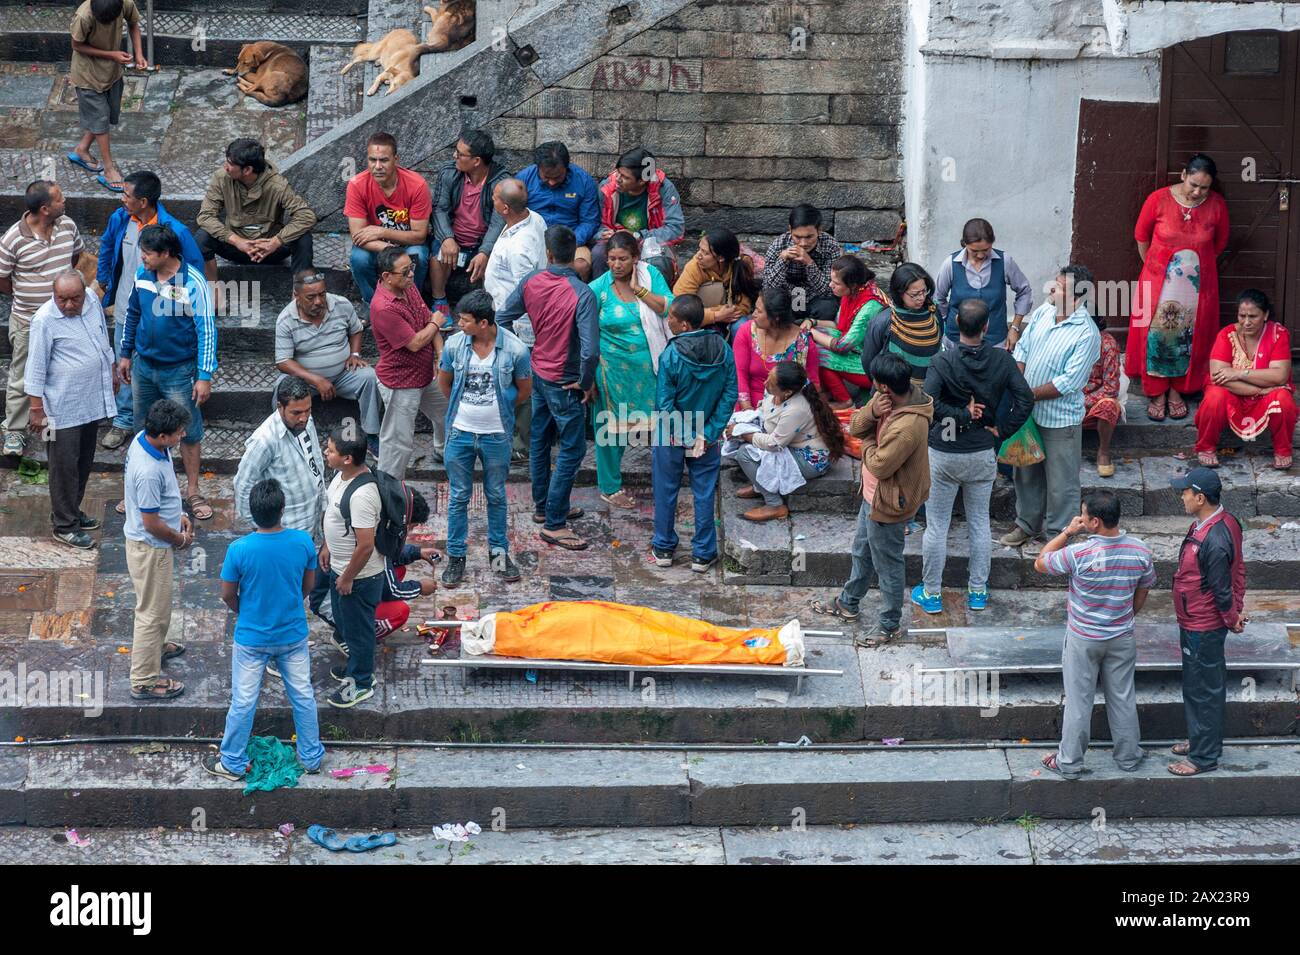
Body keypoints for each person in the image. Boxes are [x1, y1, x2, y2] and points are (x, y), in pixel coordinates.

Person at [913, 299, 1033, 614]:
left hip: (944, 452)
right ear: (986, 327)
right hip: (982, 451)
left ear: (955, 325)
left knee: (936, 525)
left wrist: (959, 415)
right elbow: (1025, 398)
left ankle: (932, 593)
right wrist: (1002, 429)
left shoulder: (942, 362)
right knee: (979, 522)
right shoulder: (1002, 360)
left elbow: (930, 404)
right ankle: (977, 591)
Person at [204, 478, 323, 782]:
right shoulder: (303, 542)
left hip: (252, 639)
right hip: (293, 635)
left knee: (244, 701)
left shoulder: (239, 549)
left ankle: (231, 762)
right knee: (303, 695)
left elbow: (228, 594)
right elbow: (307, 586)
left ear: (250, 513)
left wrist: (246, 613)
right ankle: (310, 757)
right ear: (282, 509)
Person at [812, 353, 933, 645]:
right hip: (872, 495)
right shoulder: (886, 400)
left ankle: (889, 623)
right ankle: (848, 602)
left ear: (885, 387)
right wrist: (872, 413)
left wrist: (867, 442)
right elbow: (855, 426)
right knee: (861, 551)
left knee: (888, 565)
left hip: (890, 501)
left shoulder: (907, 427)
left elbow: (879, 464)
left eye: (876, 385)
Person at [1035, 490, 1156, 779]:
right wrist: (1127, 616)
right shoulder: (1140, 551)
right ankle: (1129, 757)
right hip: (1122, 635)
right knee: (1123, 697)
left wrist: (1067, 532)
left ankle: (1070, 763)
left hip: (1083, 637)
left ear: (1095, 522)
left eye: (1084, 515)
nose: (1081, 519)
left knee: (1079, 701)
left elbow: (1041, 562)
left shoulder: (1079, 553)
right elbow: (1144, 589)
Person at [497, 225, 599, 550]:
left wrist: (521, 356)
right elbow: (590, 351)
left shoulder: (531, 281)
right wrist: (585, 382)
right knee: (573, 448)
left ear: (548, 254)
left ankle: (544, 507)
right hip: (565, 381)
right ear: (575, 255)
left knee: (540, 441)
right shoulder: (582, 294)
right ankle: (555, 522)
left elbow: (501, 319)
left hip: (538, 371)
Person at [96, 170, 204, 449]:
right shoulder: (120, 219)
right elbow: (107, 245)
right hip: (127, 303)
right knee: (126, 362)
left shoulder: (175, 231)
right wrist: (103, 277)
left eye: (127, 195)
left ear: (143, 201)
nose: (122, 199)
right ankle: (123, 420)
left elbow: (194, 269)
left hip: (165, 314)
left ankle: (168, 429)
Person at [999, 265, 1102, 555]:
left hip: (1060, 419)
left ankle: (1060, 536)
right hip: (1028, 412)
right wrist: (1020, 389)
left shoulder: (1086, 333)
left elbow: (1069, 382)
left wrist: (1027, 395)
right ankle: (1027, 524)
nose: (1053, 290)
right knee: (1026, 471)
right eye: (1055, 284)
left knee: (1062, 482)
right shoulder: (1045, 311)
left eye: (1061, 288)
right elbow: (1022, 351)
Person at [118, 223, 217, 521]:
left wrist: (204, 375)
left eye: (148, 253)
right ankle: (139, 489)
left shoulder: (193, 282)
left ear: (165, 253)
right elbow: (132, 313)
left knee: (187, 431)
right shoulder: (142, 275)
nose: (143, 258)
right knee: (142, 429)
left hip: (179, 370)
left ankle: (193, 490)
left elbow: (207, 330)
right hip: (143, 366)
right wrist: (125, 354)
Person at [436, 289, 531, 585]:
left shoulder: (515, 350)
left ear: (484, 322)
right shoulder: (454, 346)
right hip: (461, 433)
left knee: (496, 495)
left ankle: (499, 556)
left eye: (465, 320)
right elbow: (445, 383)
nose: (459, 324)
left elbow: (524, 390)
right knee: (458, 496)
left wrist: (498, 408)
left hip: (496, 435)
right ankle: (456, 558)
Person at [1125, 153, 1229, 422]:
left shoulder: (1217, 205)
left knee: (1188, 338)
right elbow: (1141, 237)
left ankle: (1177, 391)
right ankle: (1157, 391)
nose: (1197, 192)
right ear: (1183, 174)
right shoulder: (1158, 199)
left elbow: (1219, 245)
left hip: (1197, 289)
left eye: (1204, 187)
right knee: (1157, 337)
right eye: (1193, 184)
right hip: (1159, 283)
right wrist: (1156, 267)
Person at [25, 271, 117, 548]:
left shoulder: (90, 299)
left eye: (73, 298)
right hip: (58, 408)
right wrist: (36, 410)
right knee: (63, 466)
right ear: (54, 296)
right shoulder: (44, 320)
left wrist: (110, 368)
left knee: (83, 460)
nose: (68, 305)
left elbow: (102, 337)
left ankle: (71, 511)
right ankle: (64, 525)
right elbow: (35, 367)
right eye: (61, 299)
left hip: (88, 401)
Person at [232, 375, 331, 629]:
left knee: (298, 586)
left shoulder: (305, 422)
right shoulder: (264, 441)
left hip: (309, 522)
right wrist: (260, 528)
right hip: (283, 529)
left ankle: (290, 628)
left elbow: (316, 461)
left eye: (308, 410)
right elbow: (242, 485)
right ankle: (277, 645)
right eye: (296, 412)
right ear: (280, 407)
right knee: (280, 590)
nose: (304, 417)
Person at [1169, 467, 1247, 777]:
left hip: (1203, 626)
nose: (1182, 496)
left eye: (1186, 491)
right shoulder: (1219, 523)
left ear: (1200, 498)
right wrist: (1236, 612)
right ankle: (1200, 738)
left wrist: (1232, 618)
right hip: (1194, 620)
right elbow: (1238, 570)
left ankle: (1204, 757)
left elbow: (1222, 588)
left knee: (1204, 689)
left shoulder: (1215, 539)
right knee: (1196, 686)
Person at [651, 294, 737, 571]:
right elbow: (729, 394)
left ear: (685, 325)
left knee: (666, 491)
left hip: (671, 435)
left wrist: (688, 436)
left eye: (672, 319)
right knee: (703, 492)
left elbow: (665, 404)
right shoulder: (723, 349)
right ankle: (703, 553)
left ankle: (664, 548)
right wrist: (707, 434)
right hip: (708, 435)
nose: (669, 322)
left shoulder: (671, 355)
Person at [0, 179, 85, 457]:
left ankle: (55, 424)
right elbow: (2, 279)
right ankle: (14, 431)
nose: (66, 201)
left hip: (63, 319)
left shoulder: (68, 226)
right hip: (27, 320)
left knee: (60, 372)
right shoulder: (13, 239)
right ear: (45, 208)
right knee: (22, 375)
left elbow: (74, 258)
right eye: (60, 199)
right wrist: (26, 298)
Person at [589, 230, 673, 508]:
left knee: (659, 425)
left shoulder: (651, 277)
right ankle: (610, 487)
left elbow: (669, 310)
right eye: (611, 259)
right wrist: (588, 374)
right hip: (611, 371)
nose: (616, 265)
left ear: (636, 258)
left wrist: (640, 292)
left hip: (650, 368)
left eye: (623, 259)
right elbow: (585, 333)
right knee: (610, 431)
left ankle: (666, 479)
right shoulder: (598, 289)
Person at [123, 398, 193, 701]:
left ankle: (156, 647)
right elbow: (150, 522)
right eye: (179, 433)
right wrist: (178, 539)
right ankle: (144, 680)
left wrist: (178, 515)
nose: (183, 437)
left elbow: (160, 504)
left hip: (151, 543)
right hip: (151, 547)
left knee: (159, 606)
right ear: (163, 436)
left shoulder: (146, 440)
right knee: (151, 613)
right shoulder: (148, 470)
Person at [274, 270, 381, 447]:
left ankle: (371, 435)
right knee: (281, 386)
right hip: (306, 382)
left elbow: (356, 329)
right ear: (296, 295)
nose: (318, 301)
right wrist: (316, 379)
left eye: (322, 294)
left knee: (370, 377)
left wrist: (355, 354)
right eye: (311, 297)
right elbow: (283, 361)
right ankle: (286, 438)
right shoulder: (286, 319)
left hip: (343, 375)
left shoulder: (341, 304)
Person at [728, 360, 845, 523]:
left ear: (788, 392)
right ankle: (760, 486)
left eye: (771, 382)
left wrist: (743, 433)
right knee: (745, 445)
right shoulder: (773, 392)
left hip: (809, 458)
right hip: (788, 443)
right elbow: (764, 411)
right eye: (768, 376)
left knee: (744, 454)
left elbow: (774, 444)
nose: (765, 383)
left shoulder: (797, 409)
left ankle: (774, 504)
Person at [319, 431, 386, 708]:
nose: (326, 452)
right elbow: (334, 517)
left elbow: (366, 545)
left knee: (358, 632)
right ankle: (355, 668)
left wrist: (347, 577)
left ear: (347, 459)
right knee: (346, 625)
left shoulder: (362, 495)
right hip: (340, 567)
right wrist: (327, 545)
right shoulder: (341, 476)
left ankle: (360, 683)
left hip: (359, 577)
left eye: (331, 450)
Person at [195, 138, 317, 288]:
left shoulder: (277, 185)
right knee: (202, 237)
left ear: (247, 170)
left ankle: (301, 295)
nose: (225, 167)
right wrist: (236, 241)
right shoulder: (222, 178)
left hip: (270, 250)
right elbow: (205, 217)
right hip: (236, 248)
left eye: (230, 164)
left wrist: (276, 241)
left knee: (303, 238)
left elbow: (307, 216)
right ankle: (212, 292)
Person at [1195, 288, 1295, 470]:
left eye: (1253, 316)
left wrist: (1239, 372)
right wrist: (1260, 389)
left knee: (1283, 398)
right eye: (1242, 316)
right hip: (1237, 395)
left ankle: (1283, 450)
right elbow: (1218, 377)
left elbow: (1279, 376)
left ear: (1265, 315)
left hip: (1263, 398)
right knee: (1214, 396)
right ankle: (1206, 447)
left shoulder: (1278, 334)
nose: (1246, 322)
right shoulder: (1226, 334)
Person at [371, 246, 446, 474]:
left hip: (425, 375)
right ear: (386, 277)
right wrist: (436, 323)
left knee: (449, 413)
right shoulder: (383, 307)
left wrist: (441, 356)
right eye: (405, 271)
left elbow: (427, 321)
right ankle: (389, 494)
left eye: (411, 268)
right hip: (400, 382)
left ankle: (442, 450)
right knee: (397, 445)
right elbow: (415, 342)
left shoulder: (407, 286)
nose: (411, 274)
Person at [67, 0, 147, 192]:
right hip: (88, 76)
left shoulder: (125, 3)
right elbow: (77, 45)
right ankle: (109, 169)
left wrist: (139, 54)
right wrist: (112, 55)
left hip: (112, 73)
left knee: (107, 113)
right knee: (101, 118)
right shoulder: (83, 16)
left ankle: (82, 149)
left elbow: (133, 24)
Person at [429, 127, 509, 315]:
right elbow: (439, 208)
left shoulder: (500, 182)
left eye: (460, 153)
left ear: (476, 161)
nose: (454, 155)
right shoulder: (449, 173)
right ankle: (439, 302)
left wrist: (485, 251)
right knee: (437, 255)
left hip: (482, 242)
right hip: (454, 238)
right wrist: (447, 238)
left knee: (497, 263)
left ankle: (489, 312)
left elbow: (499, 222)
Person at [345, 132, 432, 302]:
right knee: (359, 258)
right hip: (377, 246)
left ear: (396, 159)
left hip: (409, 245)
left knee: (418, 257)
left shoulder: (417, 185)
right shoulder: (357, 185)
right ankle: (374, 304)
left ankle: (412, 302)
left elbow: (419, 235)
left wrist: (380, 231)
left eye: (384, 160)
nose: (377, 166)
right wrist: (388, 248)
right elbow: (358, 236)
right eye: (372, 160)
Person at [806, 254, 890, 407]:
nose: (830, 285)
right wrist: (813, 322)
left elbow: (841, 346)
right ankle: (827, 390)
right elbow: (838, 326)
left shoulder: (869, 307)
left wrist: (811, 332)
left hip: (875, 366)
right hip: (861, 349)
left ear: (851, 284)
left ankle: (844, 401)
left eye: (835, 283)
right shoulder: (854, 292)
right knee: (814, 339)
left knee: (818, 351)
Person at [933, 218, 1033, 348]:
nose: (980, 255)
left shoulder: (1004, 262)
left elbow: (1024, 291)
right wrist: (948, 320)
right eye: (974, 251)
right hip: (957, 341)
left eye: (986, 250)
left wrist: (1015, 327)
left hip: (995, 342)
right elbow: (938, 298)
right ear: (965, 244)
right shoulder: (950, 264)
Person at [592, 147, 684, 280]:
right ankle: (604, 296)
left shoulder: (663, 189)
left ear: (642, 181)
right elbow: (594, 224)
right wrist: (604, 234)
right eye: (618, 172)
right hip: (616, 241)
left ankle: (653, 299)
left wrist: (639, 236)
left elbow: (676, 229)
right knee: (598, 254)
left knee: (660, 264)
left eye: (625, 177)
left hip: (648, 243)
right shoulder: (607, 188)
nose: (617, 179)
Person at [516, 141, 600, 280]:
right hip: (533, 240)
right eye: (546, 177)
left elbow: (589, 221)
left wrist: (567, 244)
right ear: (538, 168)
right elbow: (516, 215)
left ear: (566, 168)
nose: (552, 182)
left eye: (557, 177)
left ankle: (574, 300)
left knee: (581, 266)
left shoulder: (584, 181)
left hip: (571, 240)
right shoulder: (523, 180)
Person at [732, 287, 822, 411]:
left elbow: (812, 384)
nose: (753, 315)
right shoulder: (746, 332)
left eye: (758, 311)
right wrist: (747, 410)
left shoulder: (803, 344)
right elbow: (739, 374)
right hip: (748, 403)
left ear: (775, 318)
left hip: (786, 408)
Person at [860, 261, 946, 388]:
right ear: (899, 293)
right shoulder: (884, 321)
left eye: (924, 291)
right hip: (896, 389)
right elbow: (868, 359)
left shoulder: (934, 312)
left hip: (931, 387)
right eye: (914, 294)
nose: (921, 298)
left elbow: (939, 339)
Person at [761, 203, 842, 325]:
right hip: (788, 298)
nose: (803, 243)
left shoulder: (831, 246)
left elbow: (828, 291)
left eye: (809, 237)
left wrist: (809, 263)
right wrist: (782, 260)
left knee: (829, 306)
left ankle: (810, 326)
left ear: (819, 230)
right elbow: (768, 288)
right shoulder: (778, 245)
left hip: (815, 298)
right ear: (790, 230)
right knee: (771, 306)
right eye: (797, 237)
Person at [671, 227, 759, 336]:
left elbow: (743, 305)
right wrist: (716, 315)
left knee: (742, 327)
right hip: (702, 319)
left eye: (705, 253)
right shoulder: (694, 267)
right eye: (699, 249)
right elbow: (680, 308)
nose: (698, 256)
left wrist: (725, 314)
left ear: (721, 258)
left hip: (732, 316)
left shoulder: (742, 263)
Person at [1081, 309, 1123, 478]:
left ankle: (1103, 451)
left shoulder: (1107, 344)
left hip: (1091, 402)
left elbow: (1111, 388)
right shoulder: (1065, 339)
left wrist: (1080, 401)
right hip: (1065, 397)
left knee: (1109, 406)